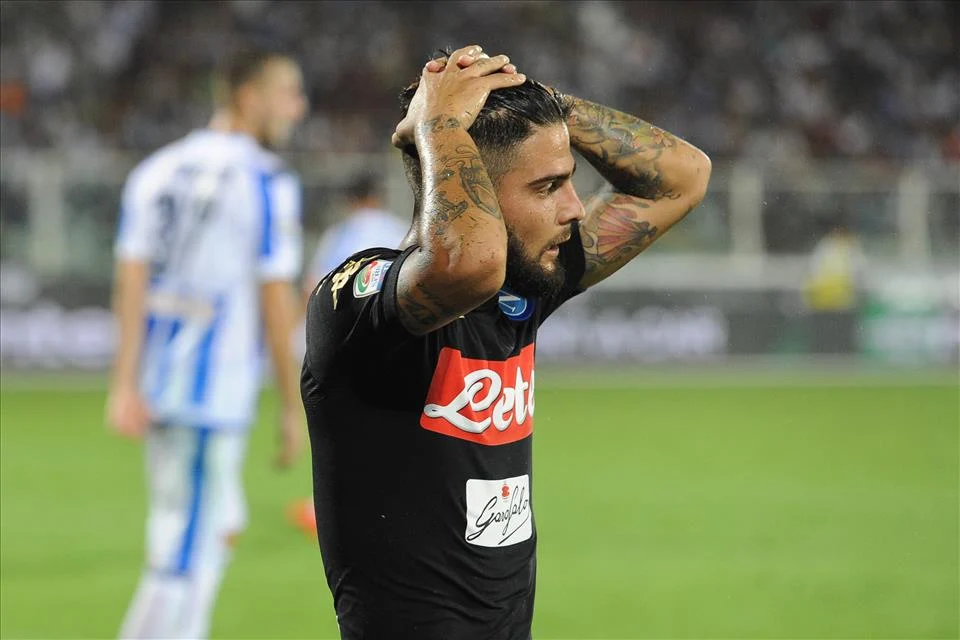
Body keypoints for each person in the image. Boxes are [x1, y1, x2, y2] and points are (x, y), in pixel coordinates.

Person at [301, 45, 711, 639]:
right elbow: (469, 262)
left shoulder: (523, 288)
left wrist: (541, 102)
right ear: (478, 195)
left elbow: (681, 179)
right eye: (548, 187)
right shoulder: (360, 305)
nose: (575, 208)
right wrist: (441, 123)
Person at [107, 49, 307, 639]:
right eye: (287, 93)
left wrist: (125, 381)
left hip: (163, 379)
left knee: (213, 524)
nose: (298, 108)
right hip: (211, 386)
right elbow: (274, 296)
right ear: (248, 96)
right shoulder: (265, 181)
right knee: (184, 546)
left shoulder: (158, 169)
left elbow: (132, 279)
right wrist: (292, 403)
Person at [302, 173, 408, 301]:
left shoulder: (337, 233)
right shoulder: (399, 229)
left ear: (352, 200)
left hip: (339, 305)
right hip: (386, 305)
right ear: (377, 197)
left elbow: (312, 284)